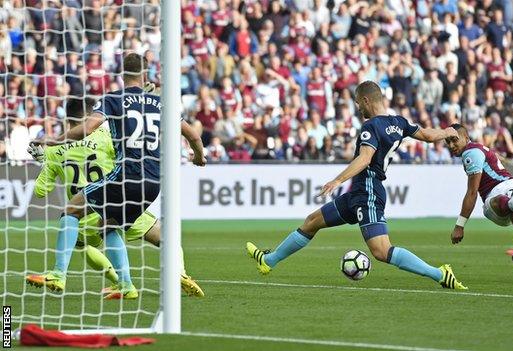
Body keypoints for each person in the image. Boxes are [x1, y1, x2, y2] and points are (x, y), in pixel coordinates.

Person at [246, 81, 467, 290]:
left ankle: (440, 274)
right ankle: (269, 261)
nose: (358, 108)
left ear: (366, 100)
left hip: (368, 191)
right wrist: (447, 132)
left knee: (381, 251)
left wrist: (338, 180)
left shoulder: (370, 126)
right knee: (312, 221)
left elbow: (365, 158)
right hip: (358, 193)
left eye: (358, 103)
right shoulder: (399, 123)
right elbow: (428, 135)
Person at [26, 53, 206, 299]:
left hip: (125, 176)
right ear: (146, 74)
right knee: (109, 224)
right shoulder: (159, 102)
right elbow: (193, 136)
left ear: (122, 75)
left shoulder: (112, 99)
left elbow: (88, 128)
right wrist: (199, 157)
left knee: (71, 211)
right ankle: (128, 285)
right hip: (153, 182)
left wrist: (54, 141)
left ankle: (58, 274)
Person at [445, 124, 513, 273]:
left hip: (495, 194)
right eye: (447, 142)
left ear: (466, 137)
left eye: (454, 140)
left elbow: (472, 192)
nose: (451, 145)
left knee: (503, 204)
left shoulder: (470, 153)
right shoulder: (477, 149)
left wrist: (460, 225)